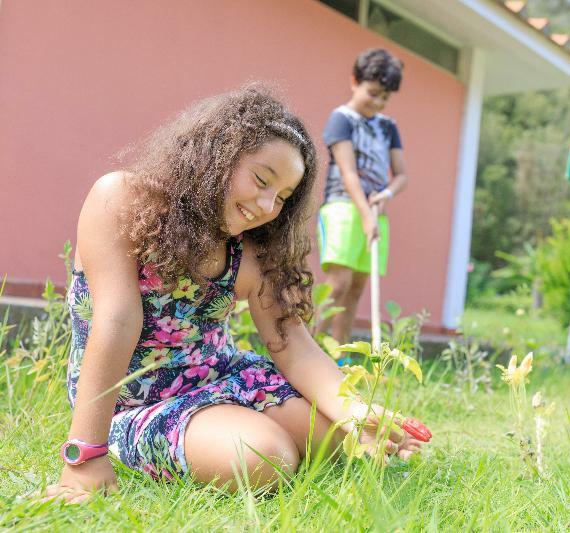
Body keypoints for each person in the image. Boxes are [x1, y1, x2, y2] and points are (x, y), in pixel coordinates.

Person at [46, 83, 423, 504]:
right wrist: (85, 457)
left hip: (225, 377)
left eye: (282, 197)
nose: (266, 206)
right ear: (217, 153)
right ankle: (237, 430)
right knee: (268, 459)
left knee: (343, 443)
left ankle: (243, 423)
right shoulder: (121, 199)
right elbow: (116, 320)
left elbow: (294, 346)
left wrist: (358, 412)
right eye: (262, 180)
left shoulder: (248, 250)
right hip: (134, 404)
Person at [316, 48, 409, 343]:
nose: (378, 102)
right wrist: (366, 215)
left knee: (357, 286)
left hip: (376, 213)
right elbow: (349, 173)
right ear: (355, 80)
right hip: (343, 207)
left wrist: (385, 196)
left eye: (385, 97)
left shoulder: (388, 126)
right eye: (373, 93)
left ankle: (342, 355)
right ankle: (311, 345)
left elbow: (402, 175)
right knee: (339, 283)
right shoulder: (340, 119)